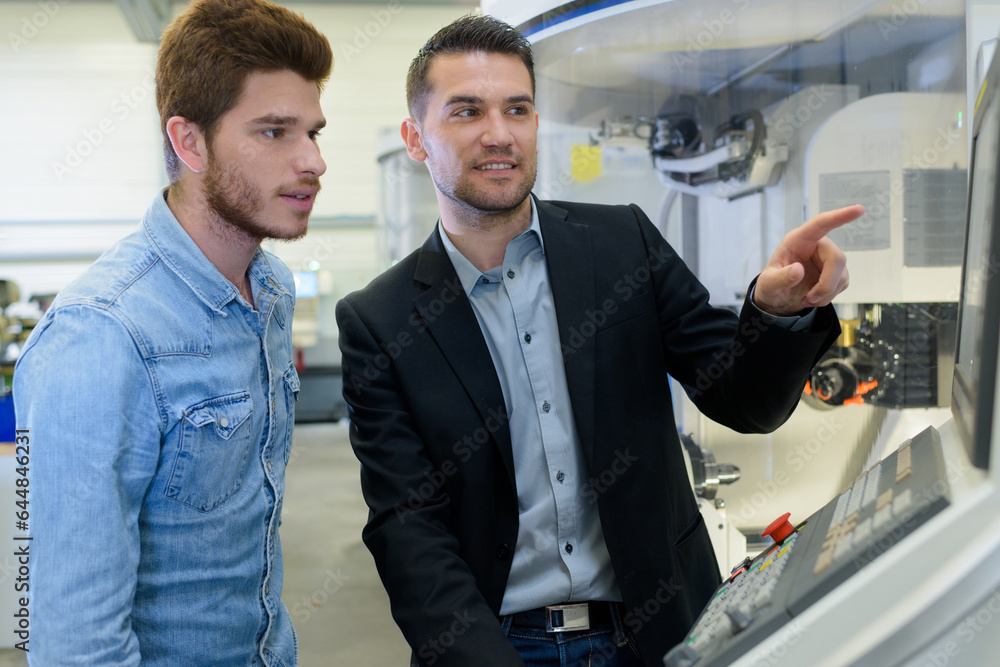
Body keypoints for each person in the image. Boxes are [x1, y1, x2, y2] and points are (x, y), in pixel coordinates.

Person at [336, 14, 862, 667]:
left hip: (657, 631)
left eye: (517, 109)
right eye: (467, 111)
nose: (498, 134)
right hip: (498, 646)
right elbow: (407, 525)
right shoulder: (380, 319)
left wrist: (774, 311)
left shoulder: (621, 245)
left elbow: (743, 398)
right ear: (417, 138)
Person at [13, 0, 331, 663]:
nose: (312, 162)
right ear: (189, 142)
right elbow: (79, 644)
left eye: (314, 132)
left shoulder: (266, 293)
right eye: (274, 132)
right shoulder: (102, 336)